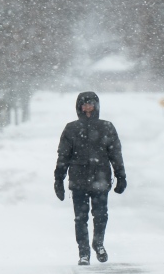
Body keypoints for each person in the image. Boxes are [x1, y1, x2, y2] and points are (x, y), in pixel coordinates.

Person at [53, 91, 127, 266]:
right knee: (80, 218)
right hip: (78, 179)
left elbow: (115, 154)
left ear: (96, 106)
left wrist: (120, 175)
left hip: (100, 178)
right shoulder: (71, 128)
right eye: (84, 104)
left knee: (101, 215)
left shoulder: (107, 127)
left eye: (90, 103)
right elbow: (63, 155)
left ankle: (98, 243)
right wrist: (58, 179)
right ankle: (83, 253)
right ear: (79, 106)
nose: (87, 107)